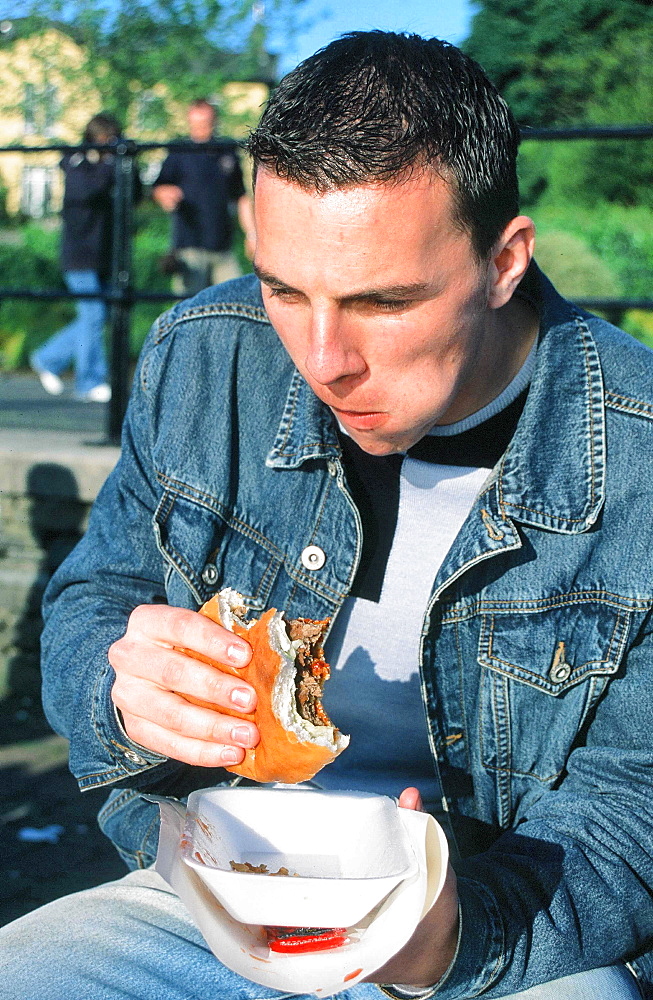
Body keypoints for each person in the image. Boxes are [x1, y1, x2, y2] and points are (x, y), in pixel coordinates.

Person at [2, 30, 653, 1000]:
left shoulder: (633, 446)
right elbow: (91, 597)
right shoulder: (199, 356)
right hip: (215, 891)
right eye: (281, 286)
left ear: (504, 260)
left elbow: (631, 808)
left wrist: (451, 938)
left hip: (503, 924)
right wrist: (121, 686)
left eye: (382, 301)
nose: (321, 356)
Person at [30, 113, 123, 402]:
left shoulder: (102, 167)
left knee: (96, 316)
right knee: (93, 314)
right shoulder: (78, 164)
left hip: (101, 255)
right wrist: (108, 164)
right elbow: (88, 190)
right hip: (79, 254)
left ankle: (47, 358)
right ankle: (89, 381)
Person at [152, 98, 255, 296]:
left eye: (206, 123)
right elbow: (158, 188)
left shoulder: (226, 151)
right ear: (189, 122)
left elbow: (240, 197)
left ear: (214, 121)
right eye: (197, 124)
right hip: (189, 246)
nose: (202, 129)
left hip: (222, 245)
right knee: (189, 308)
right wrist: (166, 195)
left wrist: (251, 234)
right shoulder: (179, 151)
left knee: (236, 300)